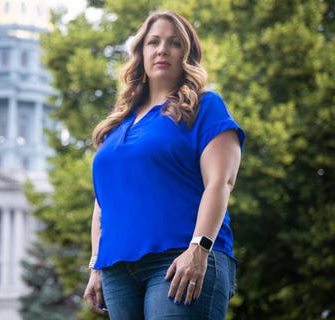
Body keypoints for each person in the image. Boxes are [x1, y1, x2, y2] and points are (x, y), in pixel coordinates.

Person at [83, 10, 245, 320]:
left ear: (186, 54)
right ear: (141, 52)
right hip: (118, 271)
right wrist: (96, 265)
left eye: (173, 43)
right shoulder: (117, 125)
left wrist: (199, 248)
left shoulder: (205, 106)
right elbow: (103, 202)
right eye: (153, 42)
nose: (161, 49)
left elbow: (221, 182)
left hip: (179, 259)